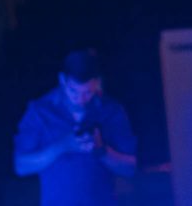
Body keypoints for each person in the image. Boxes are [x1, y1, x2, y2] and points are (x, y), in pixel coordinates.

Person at [14, 49, 137, 206]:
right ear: (62, 80)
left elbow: (130, 168)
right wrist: (61, 146)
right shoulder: (39, 112)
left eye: (88, 93)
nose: (80, 100)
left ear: (97, 83)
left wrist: (101, 150)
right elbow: (21, 166)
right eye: (73, 91)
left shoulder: (112, 111)